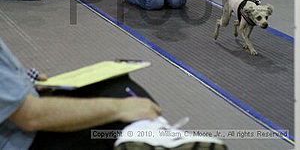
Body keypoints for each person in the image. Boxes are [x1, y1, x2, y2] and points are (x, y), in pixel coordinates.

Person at [0, 37, 227, 150]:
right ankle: (146, 132)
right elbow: (30, 116)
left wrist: (23, 79)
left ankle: (146, 132)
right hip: (19, 140)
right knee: (125, 106)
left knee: (115, 83)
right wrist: (120, 108)